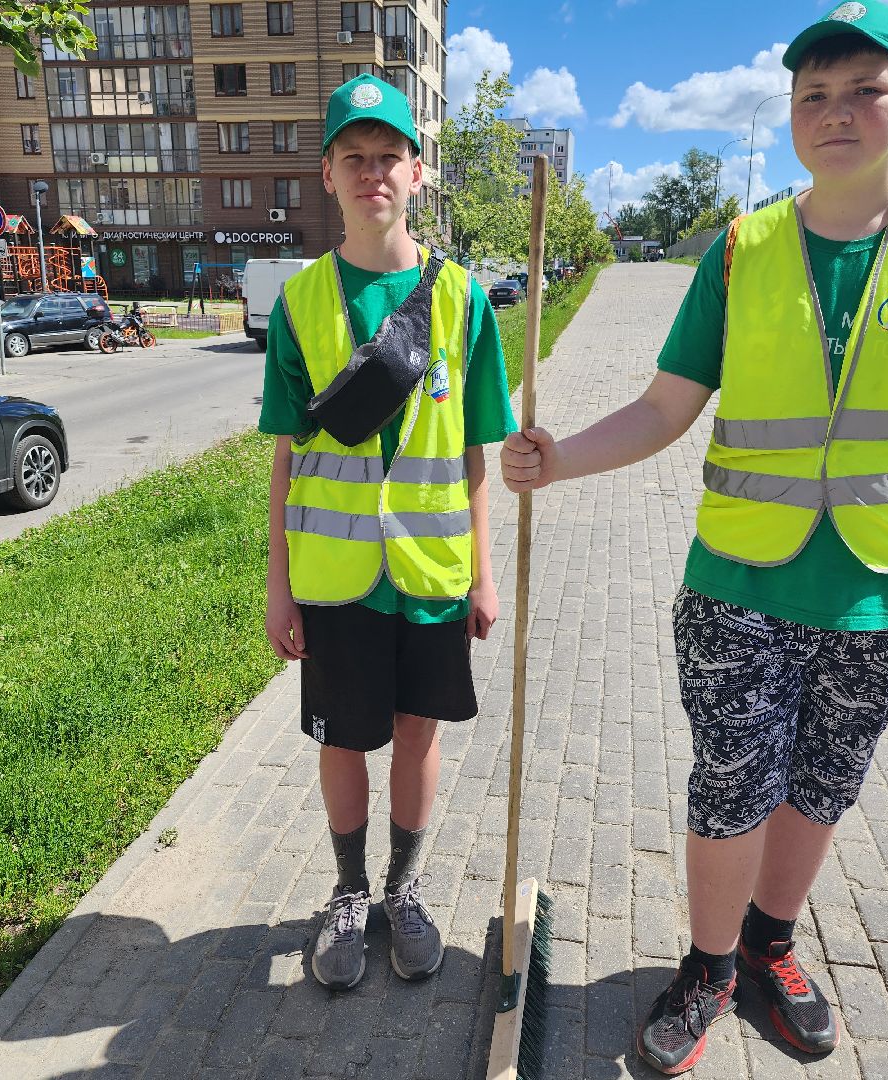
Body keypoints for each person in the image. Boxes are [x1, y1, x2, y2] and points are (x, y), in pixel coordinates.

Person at [501, 3, 888, 1073]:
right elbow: (667, 407)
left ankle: (769, 946)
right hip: (738, 588)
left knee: (822, 784)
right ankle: (708, 965)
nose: (836, 112)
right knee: (730, 784)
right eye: (813, 95)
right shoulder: (743, 247)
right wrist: (558, 456)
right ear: (792, 115)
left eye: (863, 90)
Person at [258, 74, 516, 990]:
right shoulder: (298, 305)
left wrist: (485, 575)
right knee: (342, 738)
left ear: (417, 172)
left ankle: (403, 891)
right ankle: (347, 891)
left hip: (432, 573)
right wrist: (277, 582)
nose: (374, 173)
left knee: (416, 730)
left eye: (389, 158)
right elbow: (288, 454)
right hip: (335, 578)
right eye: (353, 158)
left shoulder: (465, 302)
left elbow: (475, 455)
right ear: (327, 175)